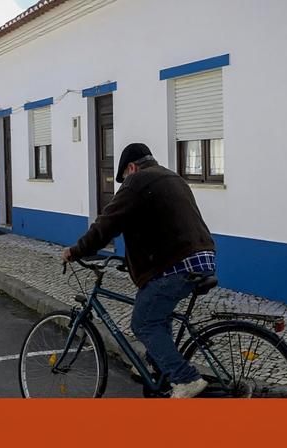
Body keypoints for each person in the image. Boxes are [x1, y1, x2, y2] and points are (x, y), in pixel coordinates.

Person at [62, 143, 216, 398]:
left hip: (177, 264)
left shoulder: (137, 182)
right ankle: (157, 368)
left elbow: (107, 224)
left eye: (123, 177)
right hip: (202, 257)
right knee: (158, 314)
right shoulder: (171, 177)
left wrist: (76, 251)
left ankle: (186, 378)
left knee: (144, 322)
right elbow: (160, 226)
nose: (123, 183)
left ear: (131, 168)